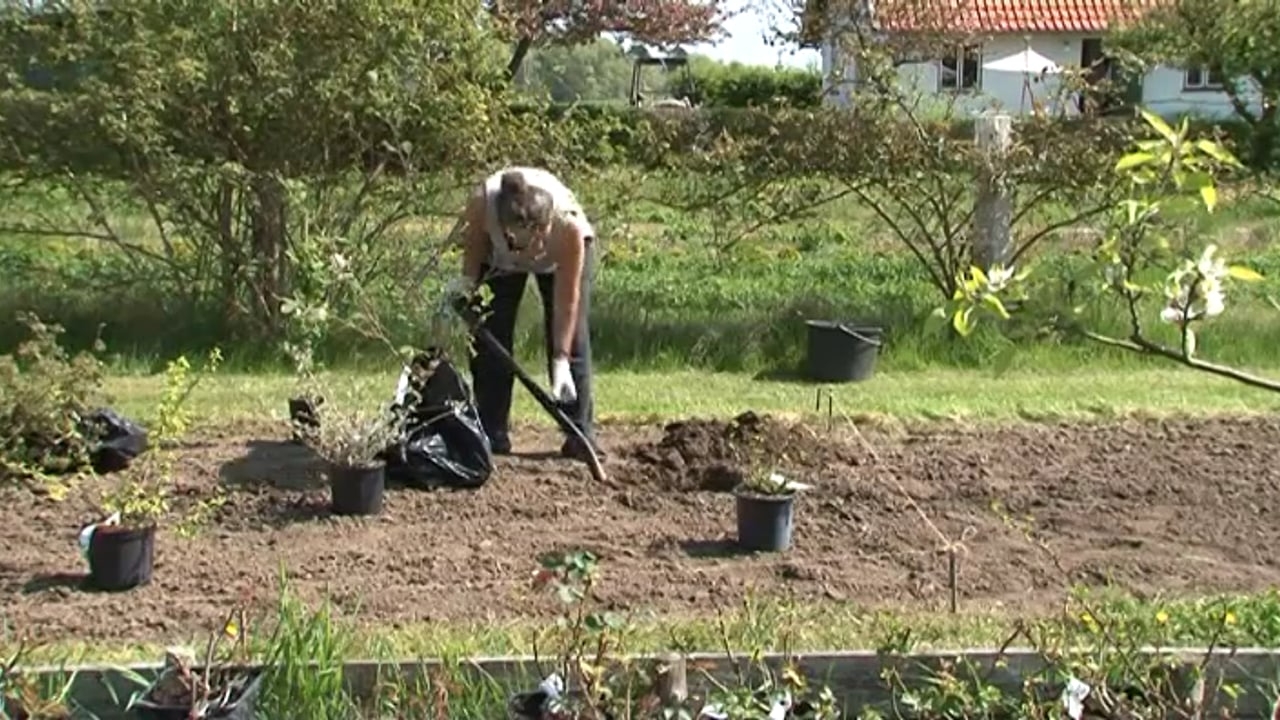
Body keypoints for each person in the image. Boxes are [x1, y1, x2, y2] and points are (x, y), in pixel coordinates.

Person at [445, 167, 598, 460]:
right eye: (527, 243)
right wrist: (466, 294)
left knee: (573, 341)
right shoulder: (482, 205)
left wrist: (561, 358)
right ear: (506, 231)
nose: (536, 251)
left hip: (562, 263)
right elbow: (473, 256)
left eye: (542, 240)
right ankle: (492, 431)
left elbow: (567, 302)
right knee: (491, 337)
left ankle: (579, 433)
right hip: (500, 261)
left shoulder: (570, 228)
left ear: (548, 225)